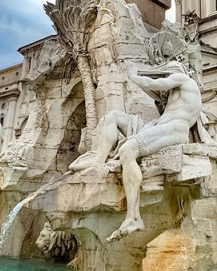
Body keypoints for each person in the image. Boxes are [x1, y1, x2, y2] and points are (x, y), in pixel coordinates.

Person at [70, 60, 204, 242]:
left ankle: (133, 217)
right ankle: (98, 161)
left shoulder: (183, 79)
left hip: (174, 129)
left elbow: (152, 84)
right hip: (156, 127)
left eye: (166, 74)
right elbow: (155, 90)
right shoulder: (178, 93)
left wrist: (132, 75)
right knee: (113, 117)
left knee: (128, 150)